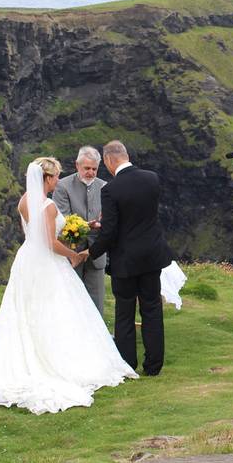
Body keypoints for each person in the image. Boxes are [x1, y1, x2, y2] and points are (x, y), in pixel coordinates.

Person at [0, 157, 137, 414]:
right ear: (48, 179)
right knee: (57, 308)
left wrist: (84, 225)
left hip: (27, 259)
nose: (57, 182)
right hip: (48, 263)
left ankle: (30, 353)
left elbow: (37, 235)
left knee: (28, 309)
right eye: (55, 177)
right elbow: (51, 242)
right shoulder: (48, 206)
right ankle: (58, 359)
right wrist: (74, 255)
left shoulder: (24, 201)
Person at [89, 141, 174, 376]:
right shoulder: (152, 179)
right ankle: (154, 366)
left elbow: (110, 232)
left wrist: (91, 252)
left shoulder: (110, 190)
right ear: (127, 155)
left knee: (125, 312)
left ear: (108, 160)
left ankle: (128, 365)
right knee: (152, 309)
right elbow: (143, 215)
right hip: (151, 256)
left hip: (125, 260)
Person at [53, 145, 107, 316]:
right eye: (87, 168)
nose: (90, 172)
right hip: (71, 251)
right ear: (77, 165)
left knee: (96, 298)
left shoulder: (105, 187)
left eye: (94, 169)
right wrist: (87, 225)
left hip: (96, 252)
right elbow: (63, 220)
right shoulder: (62, 186)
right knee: (70, 296)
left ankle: (99, 339)